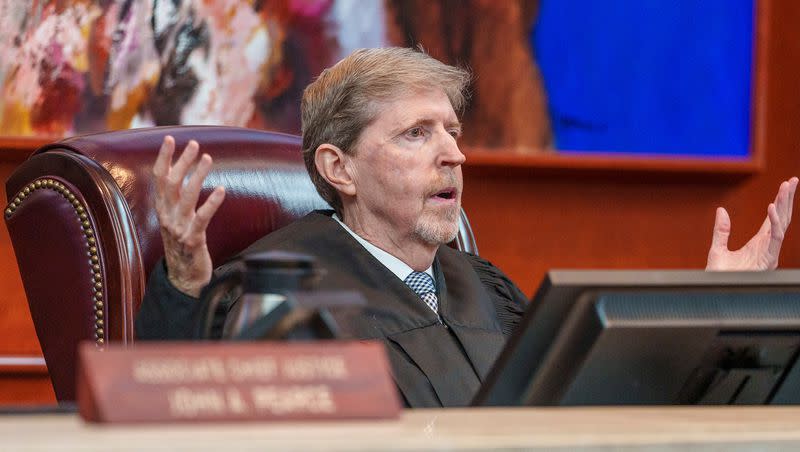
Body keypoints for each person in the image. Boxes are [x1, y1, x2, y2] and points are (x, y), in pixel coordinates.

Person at [135, 47, 798, 408]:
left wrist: (711, 319)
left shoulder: (486, 287)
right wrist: (188, 278)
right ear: (339, 167)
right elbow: (186, 415)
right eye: (417, 134)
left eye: (452, 131)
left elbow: (588, 413)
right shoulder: (281, 290)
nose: (453, 153)